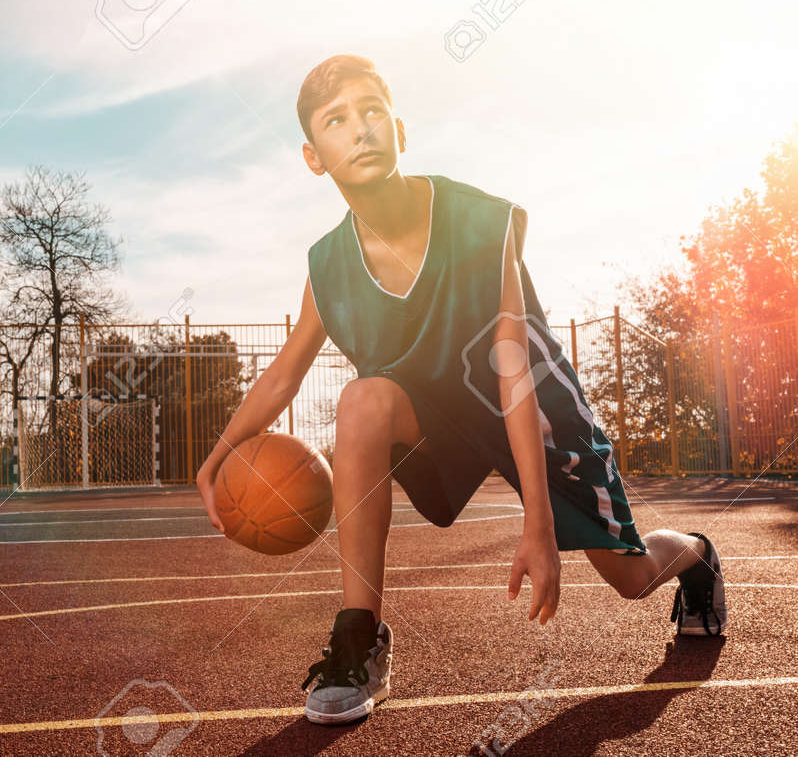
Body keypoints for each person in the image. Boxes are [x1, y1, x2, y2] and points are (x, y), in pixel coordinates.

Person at [197, 54, 727, 725]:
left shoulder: (478, 220)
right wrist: (218, 455)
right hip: (436, 421)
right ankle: (360, 636)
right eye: (337, 120)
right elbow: (283, 373)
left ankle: (697, 555)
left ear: (400, 130)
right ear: (314, 156)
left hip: (537, 413)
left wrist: (538, 520)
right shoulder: (329, 264)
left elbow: (512, 364)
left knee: (630, 578)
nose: (359, 130)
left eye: (371, 112)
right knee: (363, 399)